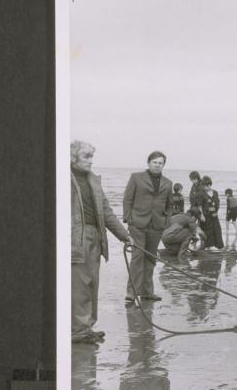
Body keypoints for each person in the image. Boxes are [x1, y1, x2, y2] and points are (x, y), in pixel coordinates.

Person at [71, 141, 133, 343]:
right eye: (86, 156)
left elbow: (106, 212)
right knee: (79, 285)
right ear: (73, 157)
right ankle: (77, 330)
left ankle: (86, 326)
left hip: (95, 237)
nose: (90, 161)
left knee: (92, 283)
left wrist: (125, 235)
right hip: (75, 238)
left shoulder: (93, 181)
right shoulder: (63, 179)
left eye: (91, 157)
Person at [123, 151, 173, 303]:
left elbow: (170, 205)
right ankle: (131, 293)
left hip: (156, 225)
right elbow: (127, 198)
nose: (157, 165)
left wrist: (166, 221)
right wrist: (128, 218)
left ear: (163, 165)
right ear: (148, 163)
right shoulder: (136, 177)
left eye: (160, 163)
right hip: (137, 223)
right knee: (137, 258)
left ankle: (147, 292)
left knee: (150, 259)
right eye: (154, 162)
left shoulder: (168, 183)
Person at [200, 176, 224, 251]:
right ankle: (208, 246)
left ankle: (218, 245)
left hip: (214, 215)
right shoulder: (201, 193)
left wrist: (216, 212)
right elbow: (199, 205)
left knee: (217, 229)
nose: (205, 187)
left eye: (207, 186)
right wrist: (201, 215)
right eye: (204, 186)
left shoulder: (215, 193)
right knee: (208, 230)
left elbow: (218, 203)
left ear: (210, 184)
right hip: (205, 215)